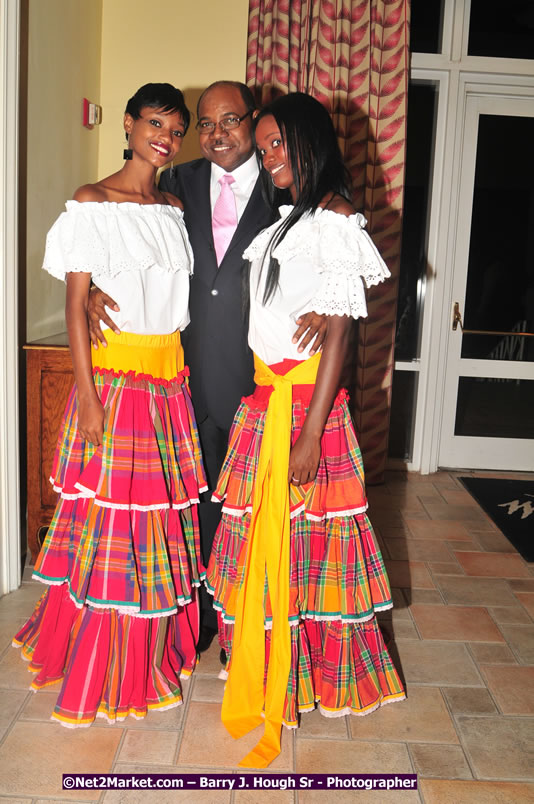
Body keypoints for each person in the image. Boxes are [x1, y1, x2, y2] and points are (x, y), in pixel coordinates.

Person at [87, 81, 327, 654]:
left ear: (253, 122)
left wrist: (325, 298)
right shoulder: (174, 182)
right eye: (206, 123)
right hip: (180, 379)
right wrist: (92, 289)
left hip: (255, 381)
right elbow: (132, 250)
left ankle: (242, 619)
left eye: (232, 121)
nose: (218, 134)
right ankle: (193, 618)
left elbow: (325, 244)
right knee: (186, 504)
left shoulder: (283, 187)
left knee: (241, 507)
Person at [206, 92, 406, 768]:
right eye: (263, 149)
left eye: (278, 144)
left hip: (302, 412)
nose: (269, 157)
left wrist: (313, 431)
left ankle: (309, 673)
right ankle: (270, 667)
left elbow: (342, 337)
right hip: (266, 404)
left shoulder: (336, 220)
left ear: (311, 140)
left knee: (309, 554)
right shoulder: (291, 221)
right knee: (270, 546)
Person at [13, 83, 207, 727]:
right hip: (118, 385)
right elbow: (75, 309)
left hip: (169, 384)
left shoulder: (175, 208)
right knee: (114, 529)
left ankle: (149, 647)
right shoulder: (92, 202)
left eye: (176, 130)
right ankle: (102, 659)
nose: (165, 138)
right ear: (128, 124)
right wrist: (89, 397)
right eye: (155, 124)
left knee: (157, 530)